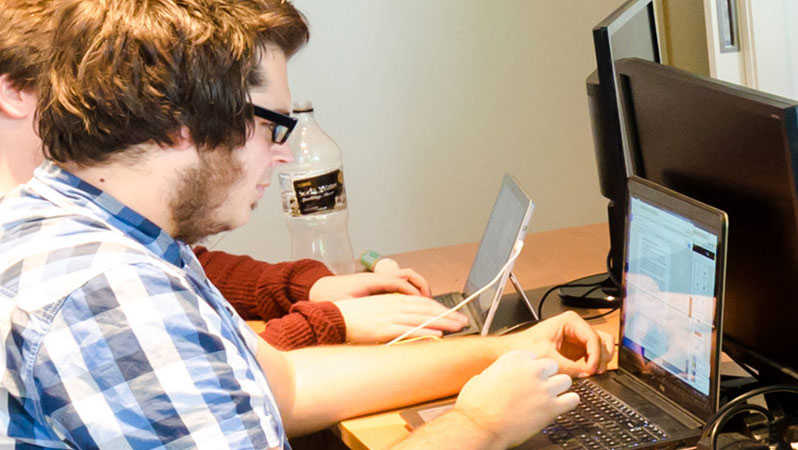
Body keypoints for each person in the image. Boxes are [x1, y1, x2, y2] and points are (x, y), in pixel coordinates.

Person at [0, 1, 615, 449]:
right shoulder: (111, 296)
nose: (282, 153)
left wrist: (503, 351)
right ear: (179, 122)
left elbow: (285, 385)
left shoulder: (100, 228)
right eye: (273, 125)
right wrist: (480, 425)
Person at [0, 0, 469, 351]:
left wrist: (309, 288)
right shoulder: (94, 279)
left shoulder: (67, 209)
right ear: (15, 91)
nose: (108, 107)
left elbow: (184, 266)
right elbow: (172, 350)